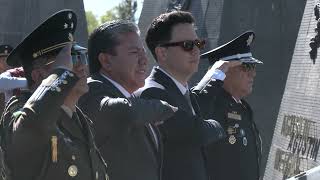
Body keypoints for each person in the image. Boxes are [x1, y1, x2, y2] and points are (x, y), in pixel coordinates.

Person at [0, 10, 109, 180]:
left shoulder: (80, 120)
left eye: (81, 57)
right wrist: (61, 74)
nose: (81, 67)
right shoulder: (19, 111)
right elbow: (31, 125)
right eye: (70, 60)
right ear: (39, 75)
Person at [78, 20, 178, 180]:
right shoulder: (91, 90)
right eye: (134, 52)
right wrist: (165, 107)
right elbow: (123, 111)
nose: (144, 60)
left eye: (144, 52)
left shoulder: (131, 98)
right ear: (106, 61)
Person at [135, 10, 225, 180]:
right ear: (162, 53)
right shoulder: (152, 92)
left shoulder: (183, 91)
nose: (196, 51)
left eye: (198, 43)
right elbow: (197, 132)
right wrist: (217, 125)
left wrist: (220, 73)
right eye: (187, 45)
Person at [192, 31, 263, 180]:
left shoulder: (242, 107)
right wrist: (216, 74)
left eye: (253, 67)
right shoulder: (210, 106)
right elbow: (194, 109)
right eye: (247, 67)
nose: (253, 74)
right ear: (226, 72)